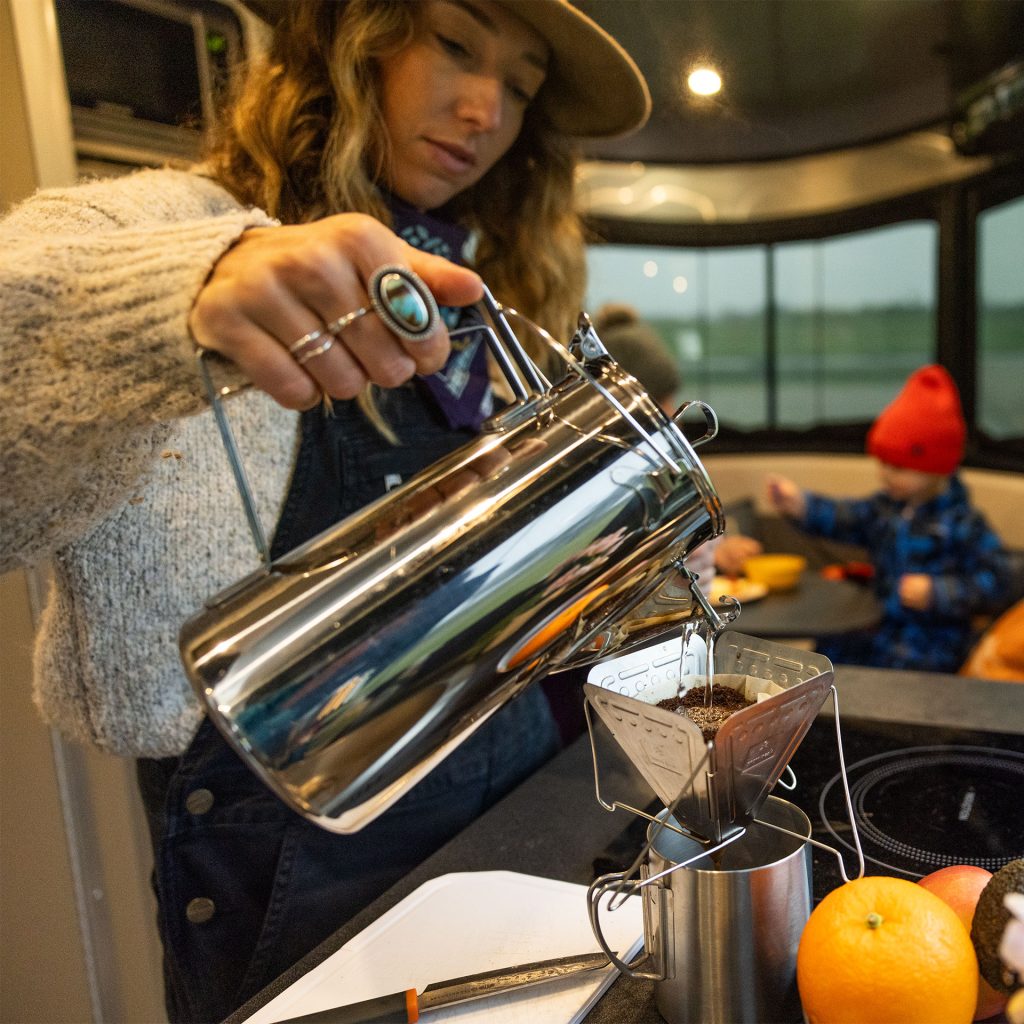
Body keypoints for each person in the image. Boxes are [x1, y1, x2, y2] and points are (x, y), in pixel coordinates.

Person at [0, 2, 651, 1020]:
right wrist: (180, 293)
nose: (485, 110)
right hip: (293, 846)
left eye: (521, 87)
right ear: (351, 39)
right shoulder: (169, 224)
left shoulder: (484, 292)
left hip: (516, 778)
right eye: (455, 44)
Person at [765, 364, 1011, 672]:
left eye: (898, 467)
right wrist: (801, 505)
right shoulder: (885, 507)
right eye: (883, 463)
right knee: (824, 656)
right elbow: (846, 518)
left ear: (938, 468)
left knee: (897, 667)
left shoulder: (964, 523)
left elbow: (998, 581)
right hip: (877, 625)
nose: (886, 474)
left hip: (932, 641)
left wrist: (938, 592)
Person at [592, 302, 763, 579]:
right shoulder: (610, 484)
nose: (674, 415)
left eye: (672, 398)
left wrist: (720, 548)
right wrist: (710, 555)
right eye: (661, 402)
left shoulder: (663, 465)